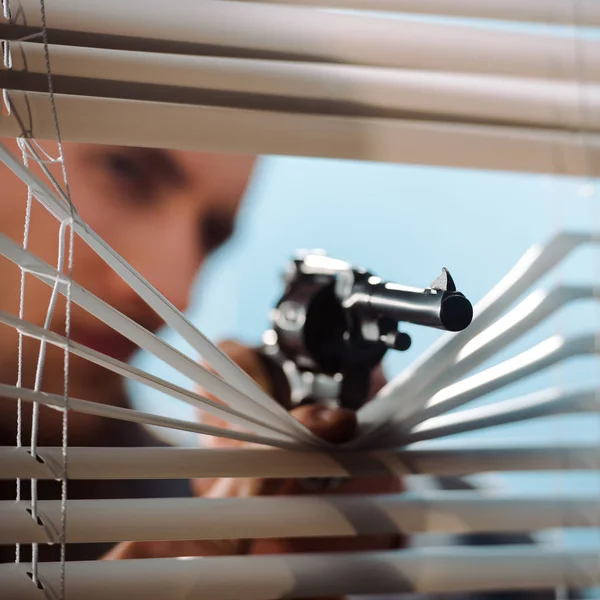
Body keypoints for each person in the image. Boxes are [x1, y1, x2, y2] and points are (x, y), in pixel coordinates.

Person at [0, 139, 569, 599]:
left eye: (212, 233)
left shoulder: (186, 506)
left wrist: (379, 513)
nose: (172, 290)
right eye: (125, 171)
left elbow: (522, 568)